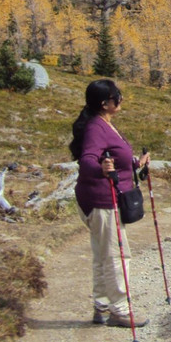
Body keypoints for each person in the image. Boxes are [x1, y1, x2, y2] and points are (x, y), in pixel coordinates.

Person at [70, 78, 150, 327]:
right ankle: (120, 310)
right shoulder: (97, 127)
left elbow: (114, 159)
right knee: (117, 255)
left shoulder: (104, 124)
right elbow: (88, 160)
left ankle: (102, 306)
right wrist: (101, 169)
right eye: (117, 95)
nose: (121, 98)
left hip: (99, 200)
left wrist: (137, 163)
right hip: (103, 201)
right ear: (105, 103)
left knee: (102, 254)